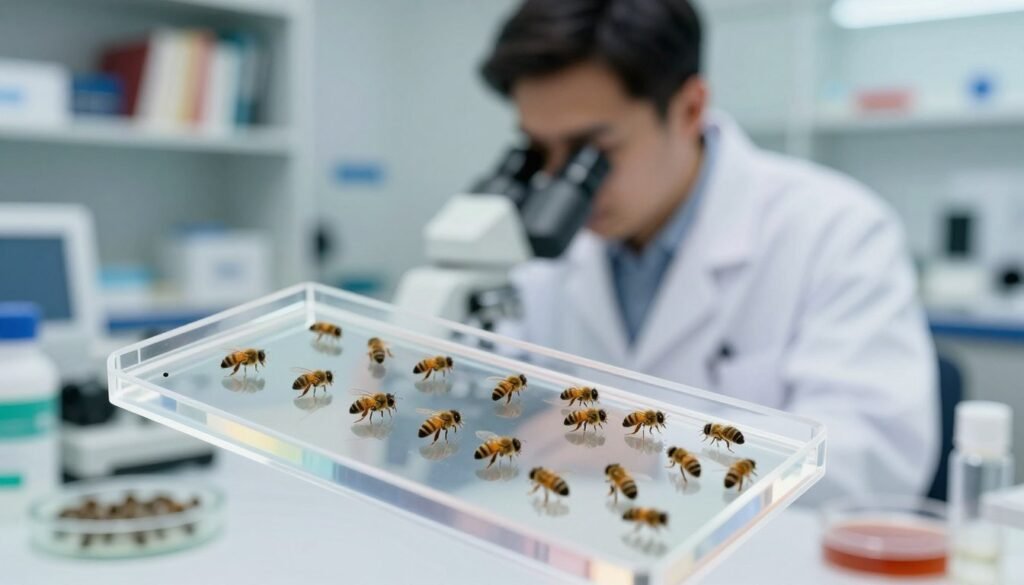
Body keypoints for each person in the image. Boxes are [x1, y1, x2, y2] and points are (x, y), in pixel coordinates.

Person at [482, 0, 938, 503]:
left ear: (690, 108)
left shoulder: (835, 229)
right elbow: (492, 390)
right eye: (539, 151)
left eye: (594, 151)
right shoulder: (544, 252)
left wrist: (656, 447)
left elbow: (874, 459)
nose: (559, 183)